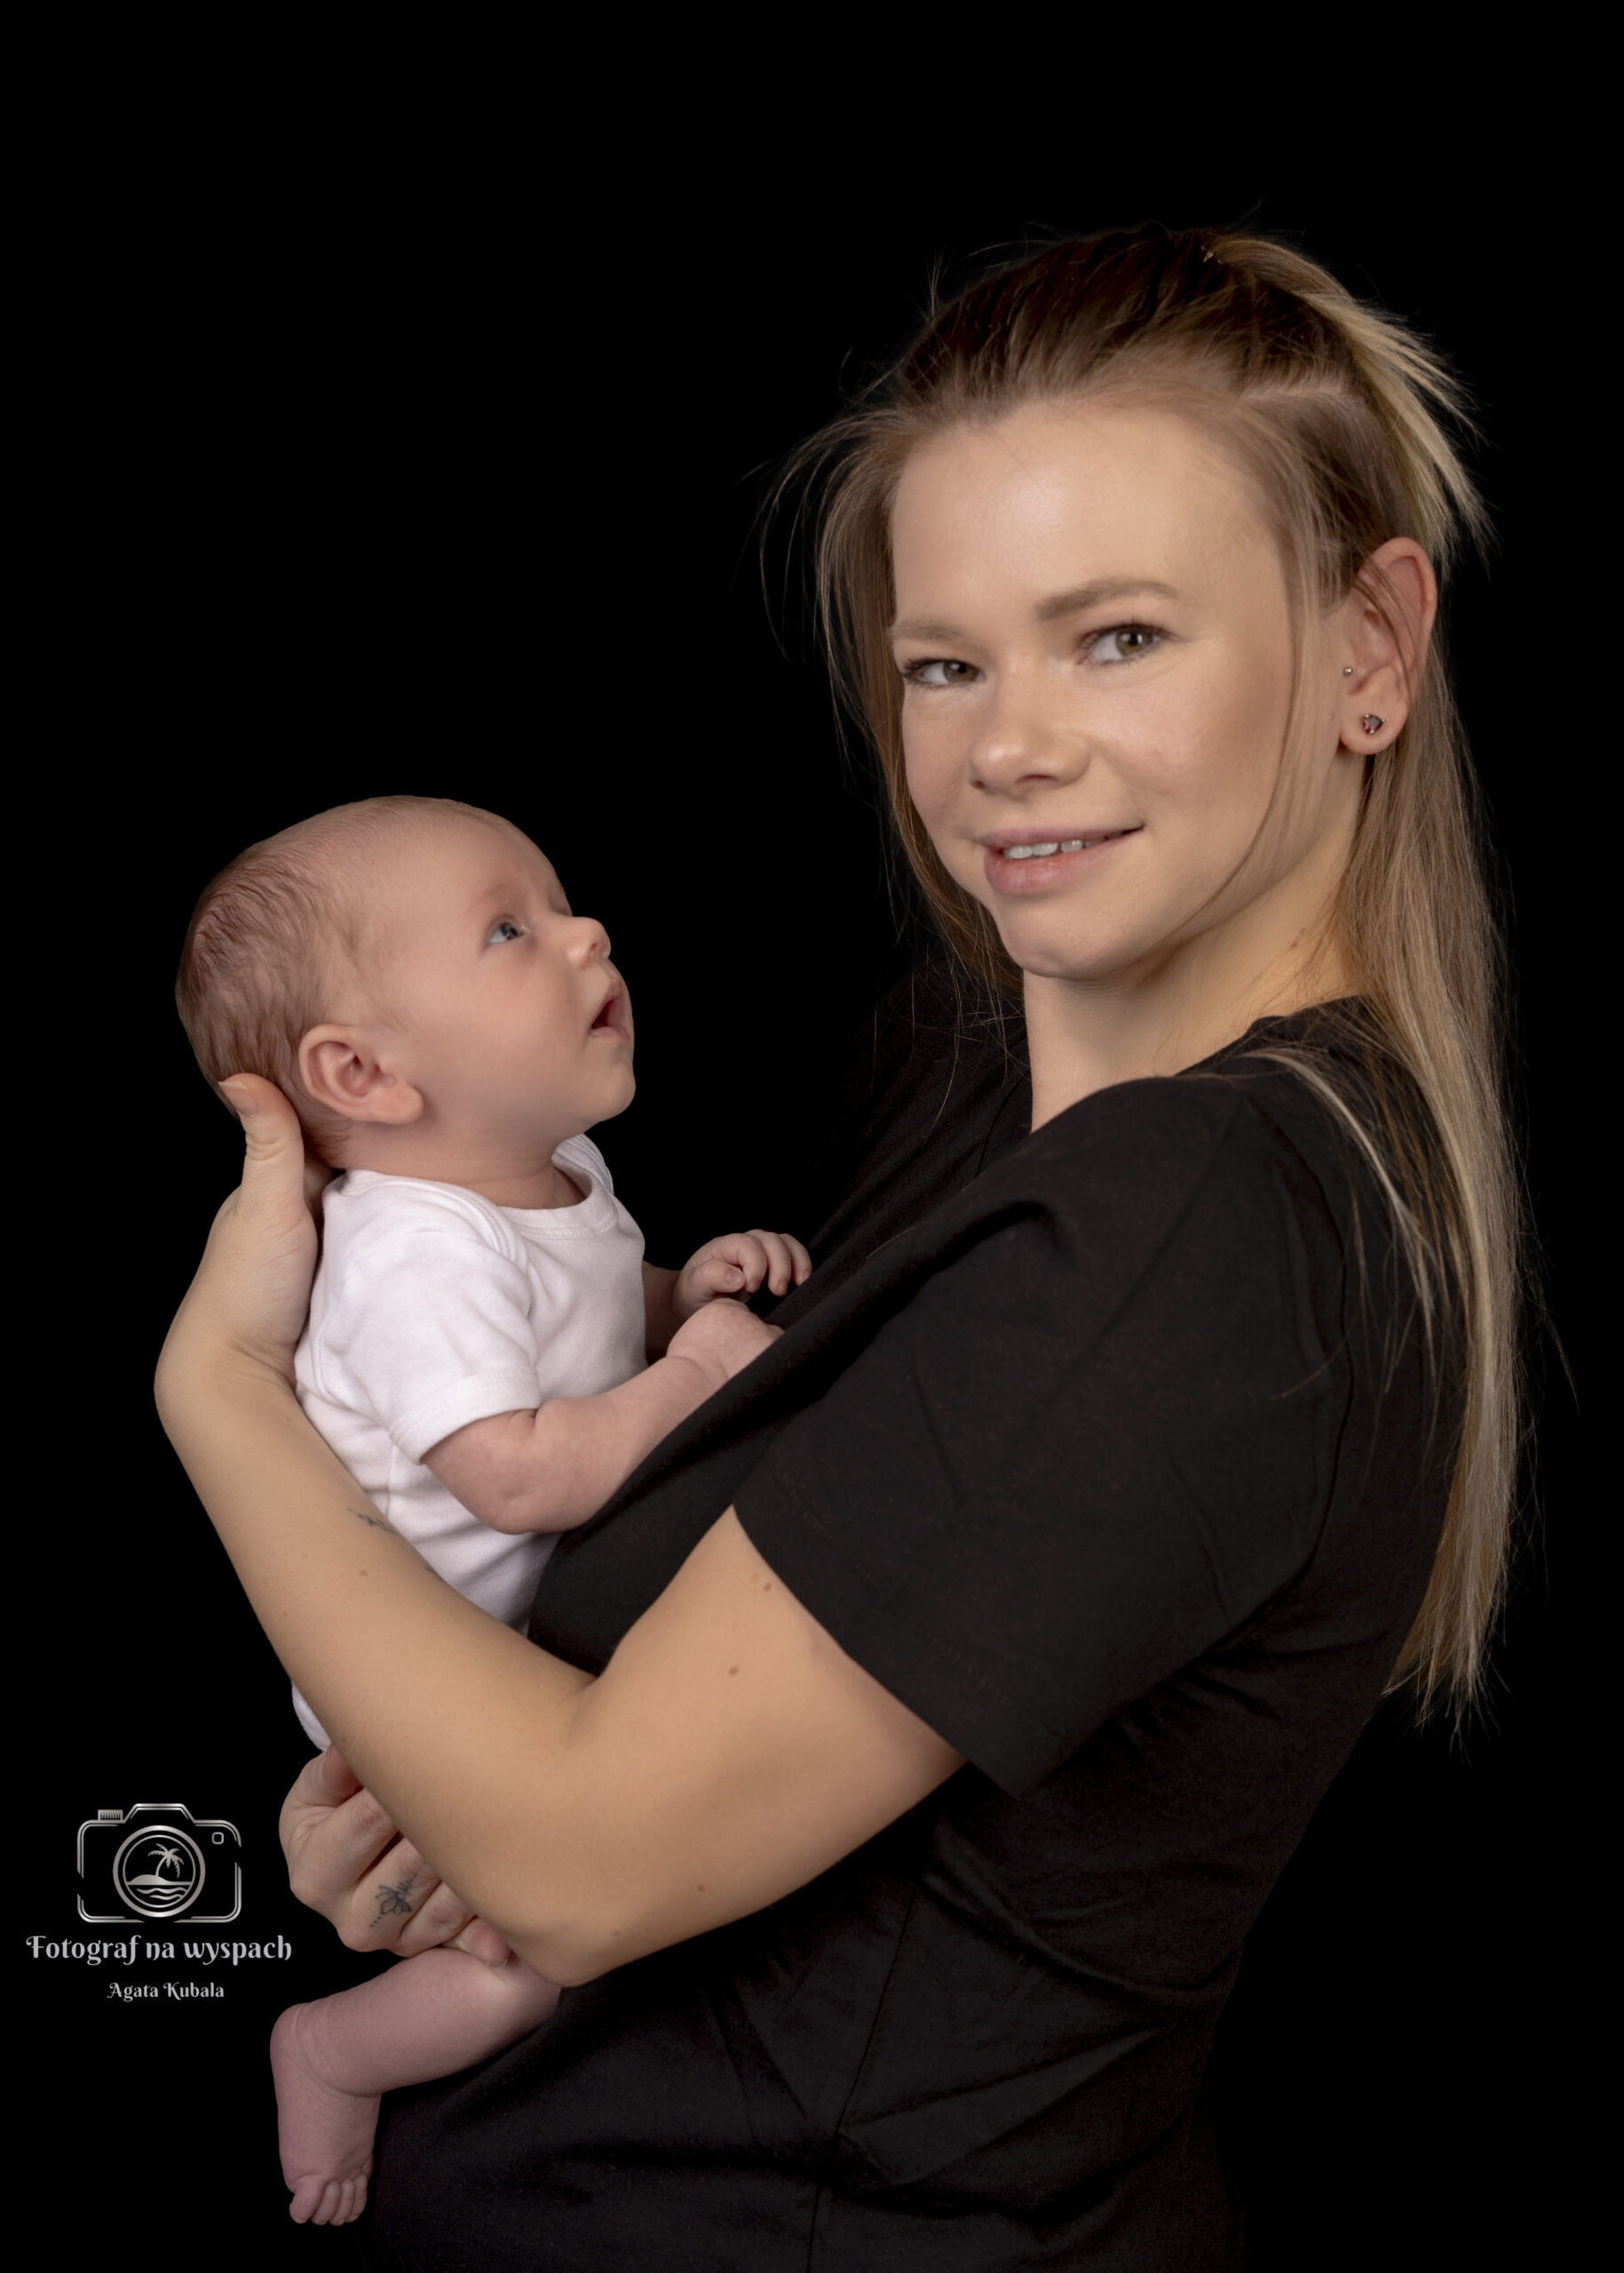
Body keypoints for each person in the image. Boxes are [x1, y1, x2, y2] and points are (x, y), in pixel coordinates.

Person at [155, 223, 1519, 2270]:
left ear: (1369, 650)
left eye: (1119, 637)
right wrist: (415, 1800)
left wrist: (221, 1394)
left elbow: (593, 1853)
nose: (1004, 744)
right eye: (945, 661)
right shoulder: (964, 1066)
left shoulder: (1195, 1228)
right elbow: (596, 1744)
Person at [174, 796, 809, 2226]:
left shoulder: (546, 1174)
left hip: (515, 1661)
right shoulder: (415, 1252)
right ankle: (329, 2049)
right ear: (363, 1073)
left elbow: (577, 1314)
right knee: (521, 1970)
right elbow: (518, 1472)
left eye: (560, 903)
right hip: (413, 1692)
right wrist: (699, 1372)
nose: (586, 934)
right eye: (508, 931)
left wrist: (677, 1299)